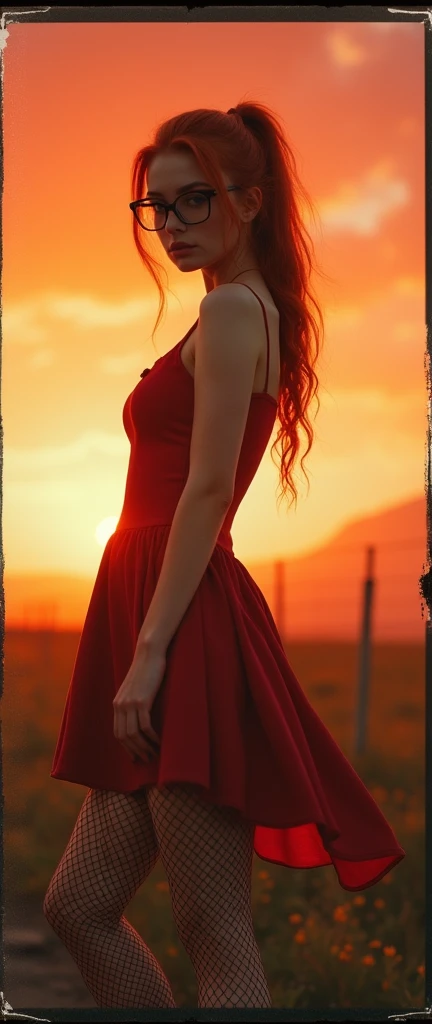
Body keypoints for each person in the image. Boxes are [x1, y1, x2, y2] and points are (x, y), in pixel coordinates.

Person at [43, 100, 405, 1010]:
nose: (172, 225)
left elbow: (206, 491)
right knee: (77, 906)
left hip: (183, 625)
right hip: (151, 605)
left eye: (194, 200)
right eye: (157, 207)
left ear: (248, 199)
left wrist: (153, 652)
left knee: (215, 932)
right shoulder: (222, 315)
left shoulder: (242, 309)